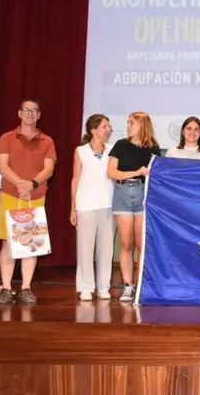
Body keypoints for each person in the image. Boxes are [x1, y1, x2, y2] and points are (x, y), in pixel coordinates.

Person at [0, 98, 57, 305]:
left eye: (34, 111)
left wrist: (32, 184)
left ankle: (26, 288)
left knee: (31, 244)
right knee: (8, 242)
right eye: (26, 110)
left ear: (39, 115)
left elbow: (49, 169)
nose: (30, 114)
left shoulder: (47, 141)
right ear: (19, 113)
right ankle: (5, 288)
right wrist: (21, 184)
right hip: (10, 194)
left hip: (35, 196)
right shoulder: (6, 138)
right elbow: (2, 166)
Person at [107, 112, 159, 302]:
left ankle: (140, 285)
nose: (128, 126)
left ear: (143, 125)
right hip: (122, 194)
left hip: (143, 195)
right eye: (127, 122)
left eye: (132, 123)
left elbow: (157, 176)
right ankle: (128, 285)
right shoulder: (121, 145)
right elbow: (111, 172)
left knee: (141, 244)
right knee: (126, 243)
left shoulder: (153, 148)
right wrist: (136, 172)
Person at [70, 114, 114, 301]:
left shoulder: (112, 150)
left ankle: (104, 287)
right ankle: (86, 286)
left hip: (108, 204)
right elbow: (76, 179)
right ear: (93, 130)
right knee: (85, 248)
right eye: (104, 126)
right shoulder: (80, 151)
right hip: (85, 204)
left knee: (106, 249)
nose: (108, 129)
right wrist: (73, 208)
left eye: (108, 126)